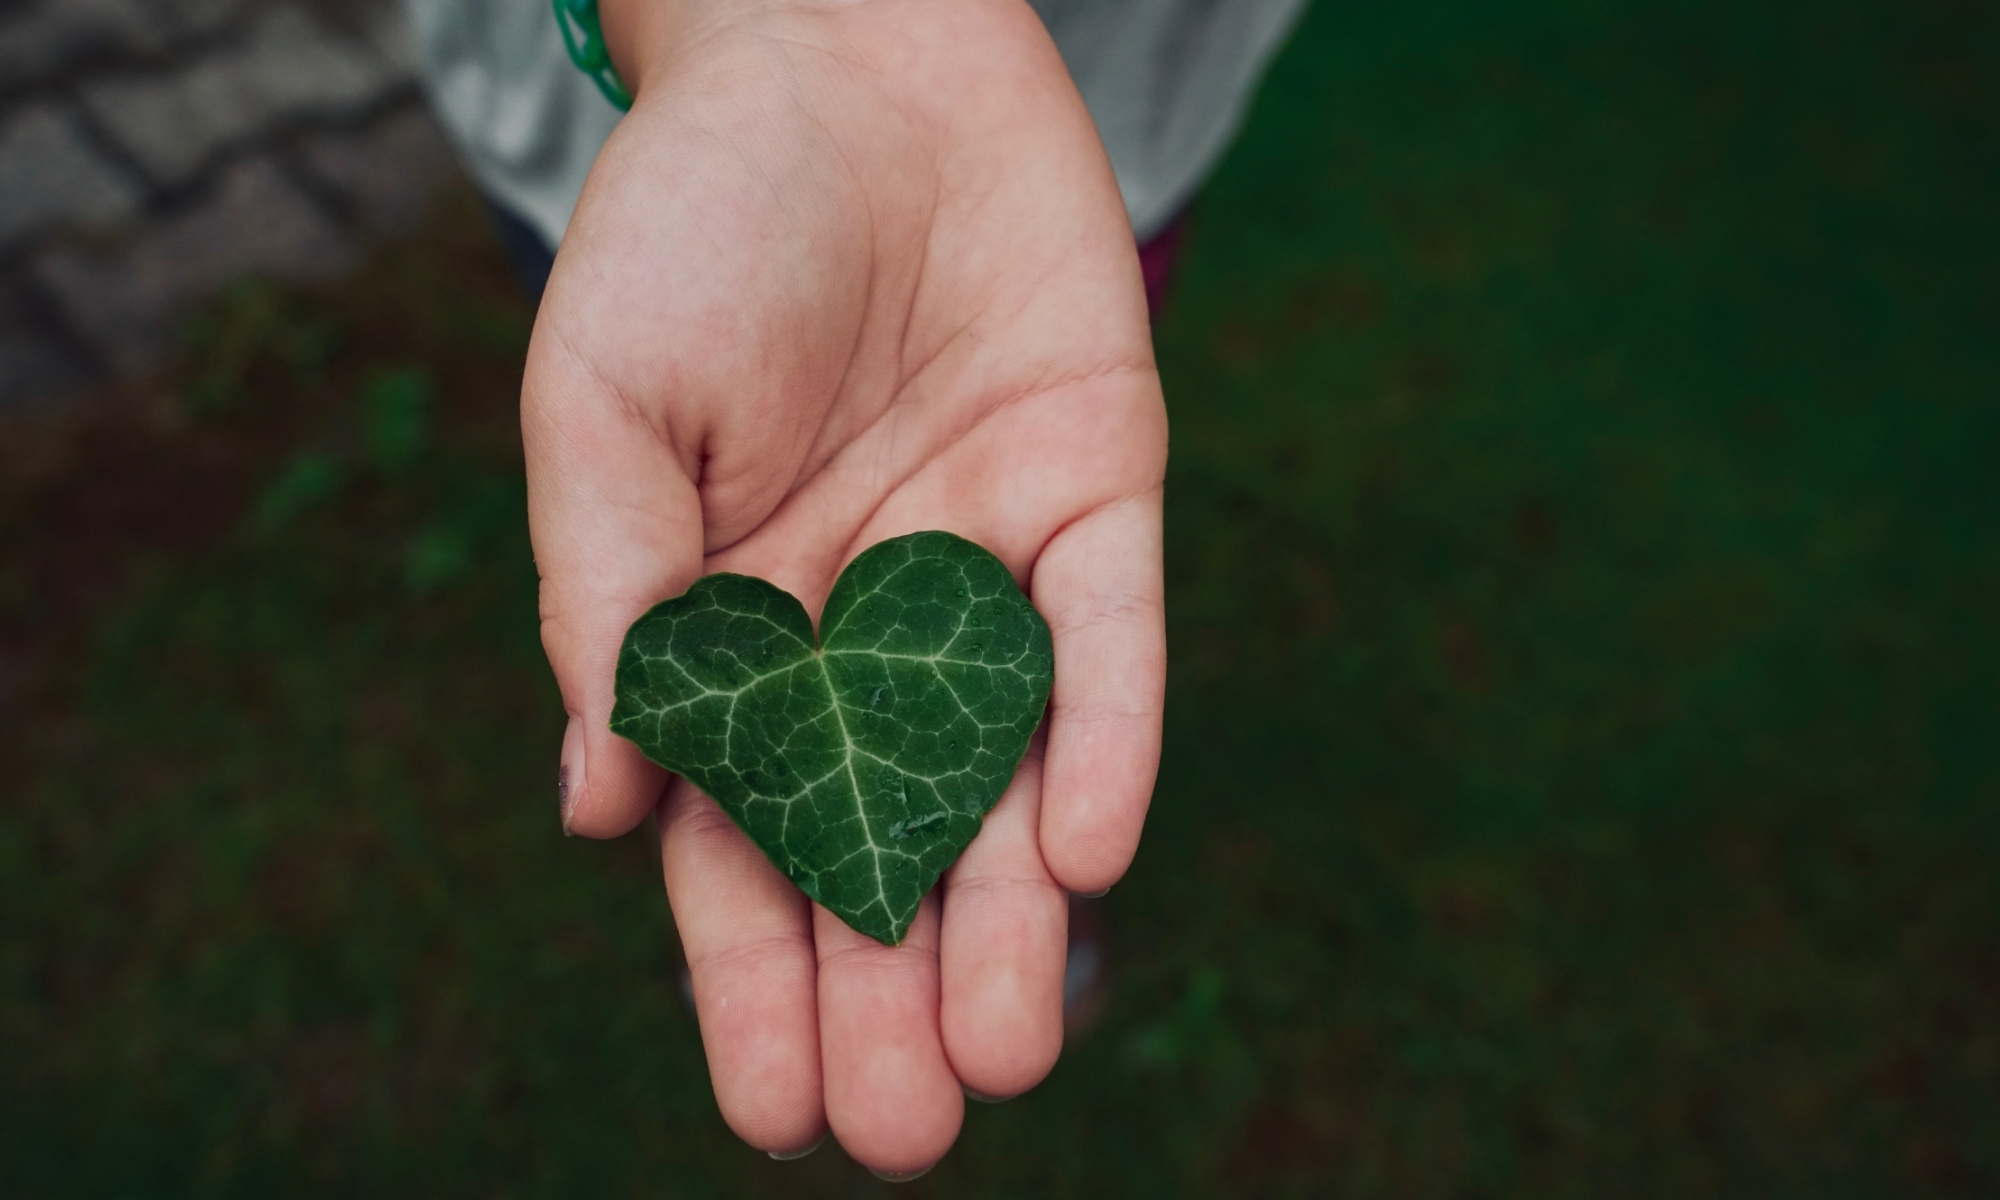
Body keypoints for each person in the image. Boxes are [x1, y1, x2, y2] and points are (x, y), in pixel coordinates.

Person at [399, 0, 1302, 1179]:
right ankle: (856, 853)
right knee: (670, 467)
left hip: (1092, 130)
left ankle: (934, 855)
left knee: (1063, 379)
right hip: (638, 134)